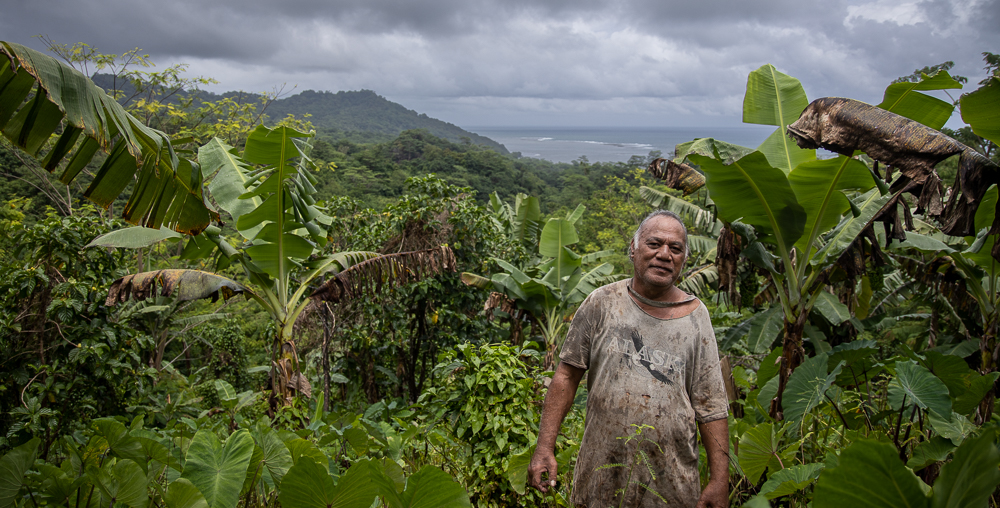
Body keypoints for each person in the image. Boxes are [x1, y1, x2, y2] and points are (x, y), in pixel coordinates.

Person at [528, 210, 730, 508]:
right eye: (654, 244)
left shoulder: (695, 317)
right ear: (633, 249)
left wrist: (719, 481)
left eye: (675, 248)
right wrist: (545, 446)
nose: (664, 254)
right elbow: (566, 377)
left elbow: (710, 404)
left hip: (671, 482)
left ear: (684, 259)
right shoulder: (602, 303)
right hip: (600, 472)